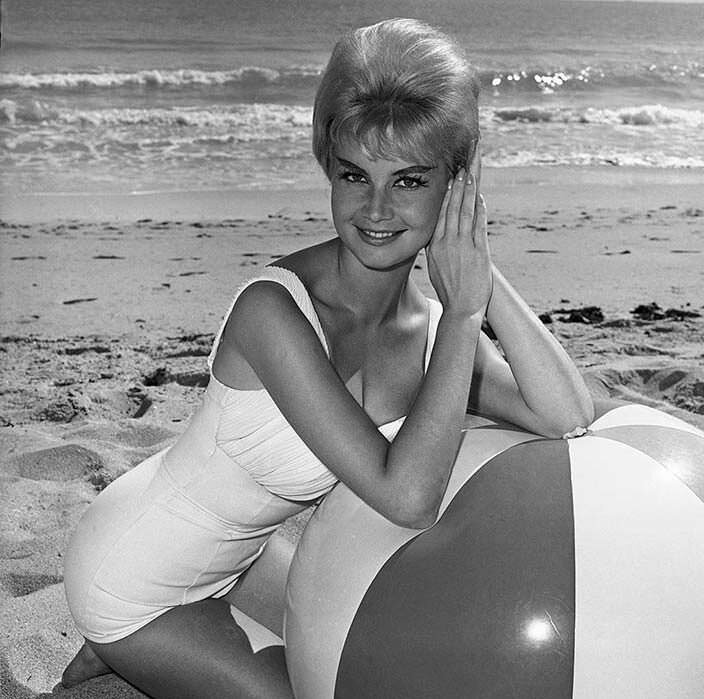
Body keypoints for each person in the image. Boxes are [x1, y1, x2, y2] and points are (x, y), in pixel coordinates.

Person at [61, 18, 594, 698]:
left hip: (241, 562)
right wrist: (464, 314)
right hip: (135, 573)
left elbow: (565, 414)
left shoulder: (432, 328)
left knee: (375, 655)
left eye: (410, 181)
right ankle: (122, 642)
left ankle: (153, 654)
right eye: (354, 174)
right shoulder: (274, 311)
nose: (376, 208)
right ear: (329, 169)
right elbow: (407, 498)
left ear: (455, 187)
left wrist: (479, 274)